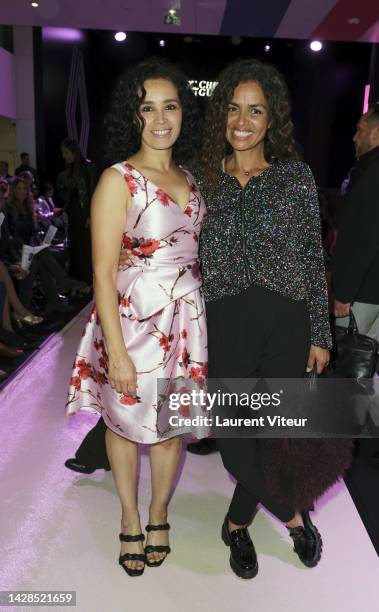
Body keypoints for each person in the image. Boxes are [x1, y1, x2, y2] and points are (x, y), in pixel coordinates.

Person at [66, 59, 352, 578]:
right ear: (219, 114)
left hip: (283, 323)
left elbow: (313, 257)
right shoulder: (207, 179)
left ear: (272, 119)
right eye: (234, 109)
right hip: (221, 325)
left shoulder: (292, 177)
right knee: (235, 441)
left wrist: (318, 332)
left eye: (256, 111)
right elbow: (117, 262)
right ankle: (291, 515)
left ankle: (238, 523)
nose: (243, 120)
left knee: (270, 430)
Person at [66, 58, 207, 577]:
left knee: (170, 429)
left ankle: (159, 513)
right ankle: (128, 517)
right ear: (134, 116)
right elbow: (102, 273)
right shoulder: (117, 179)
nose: (161, 118)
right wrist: (116, 350)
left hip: (186, 322)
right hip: (132, 322)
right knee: (124, 425)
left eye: (170, 106)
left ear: (183, 113)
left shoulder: (192, 179)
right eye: (148, 108)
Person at [333, 104, 379, 461]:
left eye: (360, 129)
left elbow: (362, 239)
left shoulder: (377, 173)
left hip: (366, 287)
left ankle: (344, 437)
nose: (354, 136)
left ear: (376, 133)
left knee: (353, 358)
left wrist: (344, 291)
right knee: (362, 357)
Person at [5, 178, 86, 313]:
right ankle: (61, 284)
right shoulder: (6, 210)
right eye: (19, 188)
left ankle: (51, 303)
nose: (22, 191)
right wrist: (20, 252)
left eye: (25, 188)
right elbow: (9, 238)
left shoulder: (28, 208)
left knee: (42, 257)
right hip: (16, 252)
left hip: (29, 249)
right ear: (13, 191)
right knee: (39, 259)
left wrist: (42, 242)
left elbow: (32, 232)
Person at [60, 138, 96, 284]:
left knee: (85, 248)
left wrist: (90, 214)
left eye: (66, 152)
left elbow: (93, 191)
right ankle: (78, 282)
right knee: (74, 247)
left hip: (84, 213)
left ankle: (87, 281)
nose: (64, 156)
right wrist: (64, 211)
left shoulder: (87, 167)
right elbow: (70, 194)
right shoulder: (69, 170)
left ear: (74, 152)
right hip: (74, 213)